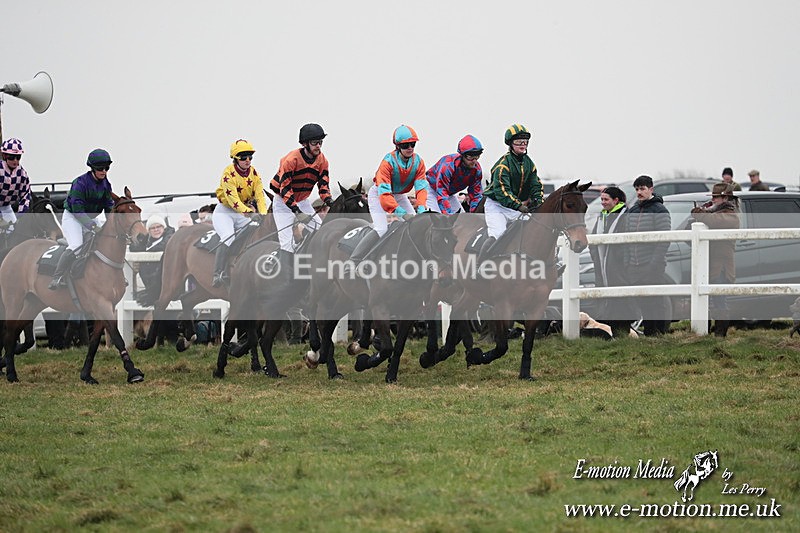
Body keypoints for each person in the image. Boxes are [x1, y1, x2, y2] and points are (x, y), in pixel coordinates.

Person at [349, 125, 428, 262]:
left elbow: (421, 189)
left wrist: (421, 209)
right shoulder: (387, 162)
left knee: (417, 224)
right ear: (398, 146)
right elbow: (385, 196)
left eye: (412, 144)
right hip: (379, 194)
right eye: (405, 145)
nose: (410, 148)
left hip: (399, 195)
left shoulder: (419, 162)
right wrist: (402, 214)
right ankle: (354, 260)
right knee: (381, 229)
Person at [49, 149, 115, 290]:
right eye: (100, 168)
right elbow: (77, 210)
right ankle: (57, 276)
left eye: (107, 168)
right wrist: (91, 226)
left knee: (103, 243)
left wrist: (112, 224)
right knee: (77, 246)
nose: (104, 171)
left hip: (91, 218)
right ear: (92, 168)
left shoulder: (106, 185)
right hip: (73, 217)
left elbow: (109, 207)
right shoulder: (79, 183)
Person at [480, 124, 544, 258]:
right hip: (497, 206)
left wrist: (538, 201)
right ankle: (479, 266)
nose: (523, 144)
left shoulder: (529, 164)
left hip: (516, 207)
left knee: (535, 230)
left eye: (525, 141)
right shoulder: (503, 165)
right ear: (510, 144)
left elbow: (536, 184)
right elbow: (502, 192)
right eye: (519, 141)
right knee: (498, 233)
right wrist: (519, 206)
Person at [212, 139, 267, 287]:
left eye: (250, 157)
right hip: (225, 211)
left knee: (255, 229)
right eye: (243, 157)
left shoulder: (254, 173)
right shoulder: (228, 173)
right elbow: (233, 200)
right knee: (228, 236)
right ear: (235, 159)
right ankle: (218, 273)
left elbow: (260, 196)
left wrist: (263, 213)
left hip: (243, 213)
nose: (248, 160)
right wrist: (250, 212)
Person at [621, 175, 672, 336]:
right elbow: (627, 239)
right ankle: (649, 333)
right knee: (642, 301)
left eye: (642, 189)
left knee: (656, 301)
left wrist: (653, 264)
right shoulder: (633, 210)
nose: (639, 192)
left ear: (651, 189)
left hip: (652, 265)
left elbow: (663, 241)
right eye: (637, 189)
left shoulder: (660, 210)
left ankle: (659, 333)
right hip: (634, 265)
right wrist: (627, 262)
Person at [269, 123, 332, 252]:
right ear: (305, 144)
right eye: (315, 143)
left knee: (320, 232)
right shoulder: (291, 160)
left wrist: (329, 200)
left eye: (320, 142)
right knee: (287, 245)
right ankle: (285, 271)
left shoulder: (323, 161)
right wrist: (297, 212)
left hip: (302, 201)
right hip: (283, 203)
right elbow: (285, 190)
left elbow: (323, 185)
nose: (318, 146)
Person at [690, 183, 740, 337]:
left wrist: (700, 213)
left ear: (725, 198)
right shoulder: (713, 212)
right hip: (709, 263)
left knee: (719, 299)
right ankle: (706, 332)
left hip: (721, 265)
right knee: (709, 299)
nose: (713, 200)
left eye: (716, 197)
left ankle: (720, 334)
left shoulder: (731, 214)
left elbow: (715, 221)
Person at [588, 186, 629, 336]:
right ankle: (609, 333)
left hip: (618, 267)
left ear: (616, 200)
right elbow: (592, 239)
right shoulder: (602, 216)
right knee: (605, 300)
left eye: (606, 199)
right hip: (602, 266)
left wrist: (621, 260)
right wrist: (594, 256)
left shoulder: (625, 215)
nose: (603, 203)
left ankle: (622, 332)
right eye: (602, 200)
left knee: (620, 301)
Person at [425, 134, 484, 215]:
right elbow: (442, 194)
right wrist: (448, 215)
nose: (474, 161)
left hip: (449, 194)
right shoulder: (448, 166)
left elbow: (476, 195)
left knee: (463, 220)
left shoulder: (477, 170)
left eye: (477, 156)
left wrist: (473, 215)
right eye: (470, 157)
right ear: (462, 155)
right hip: (432, 190)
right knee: (438, 220)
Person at [0, 137, 32, 231]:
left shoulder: (22, 174)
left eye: (18, 157)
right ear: (5, 156)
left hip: (6, 207)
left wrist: (21, 217)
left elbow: (25, 196)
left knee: (16, 231)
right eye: (11, 157)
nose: (15, 161)